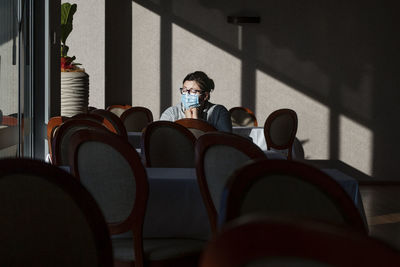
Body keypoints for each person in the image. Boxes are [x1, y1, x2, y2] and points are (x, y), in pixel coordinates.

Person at [160, 71, 232, 132]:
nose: (187, 95)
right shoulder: (171, 113)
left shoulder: (218, 112)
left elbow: (225, 141)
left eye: (193, 91)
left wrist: (196, 121)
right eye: (184, 90)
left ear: (205, 96)